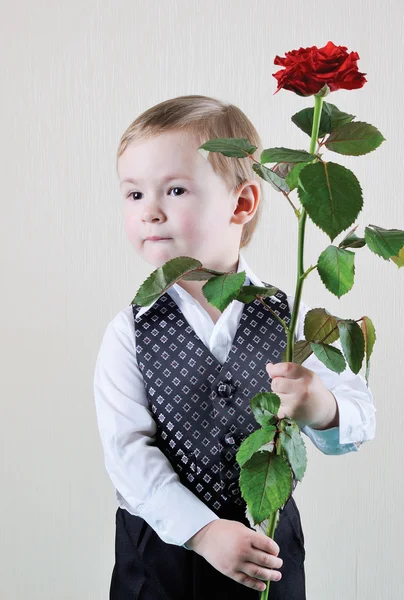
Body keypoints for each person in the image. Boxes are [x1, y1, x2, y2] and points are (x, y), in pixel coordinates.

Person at [93, 94, 376, 599]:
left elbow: (358, 421)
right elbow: (127, 454)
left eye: (174, 189)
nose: (149, 212)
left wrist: (318, 405)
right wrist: (202, 531)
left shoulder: (293, 320)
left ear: (242, 203)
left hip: (265, 546)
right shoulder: (128, 331)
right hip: (160, 552)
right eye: (134, 195)